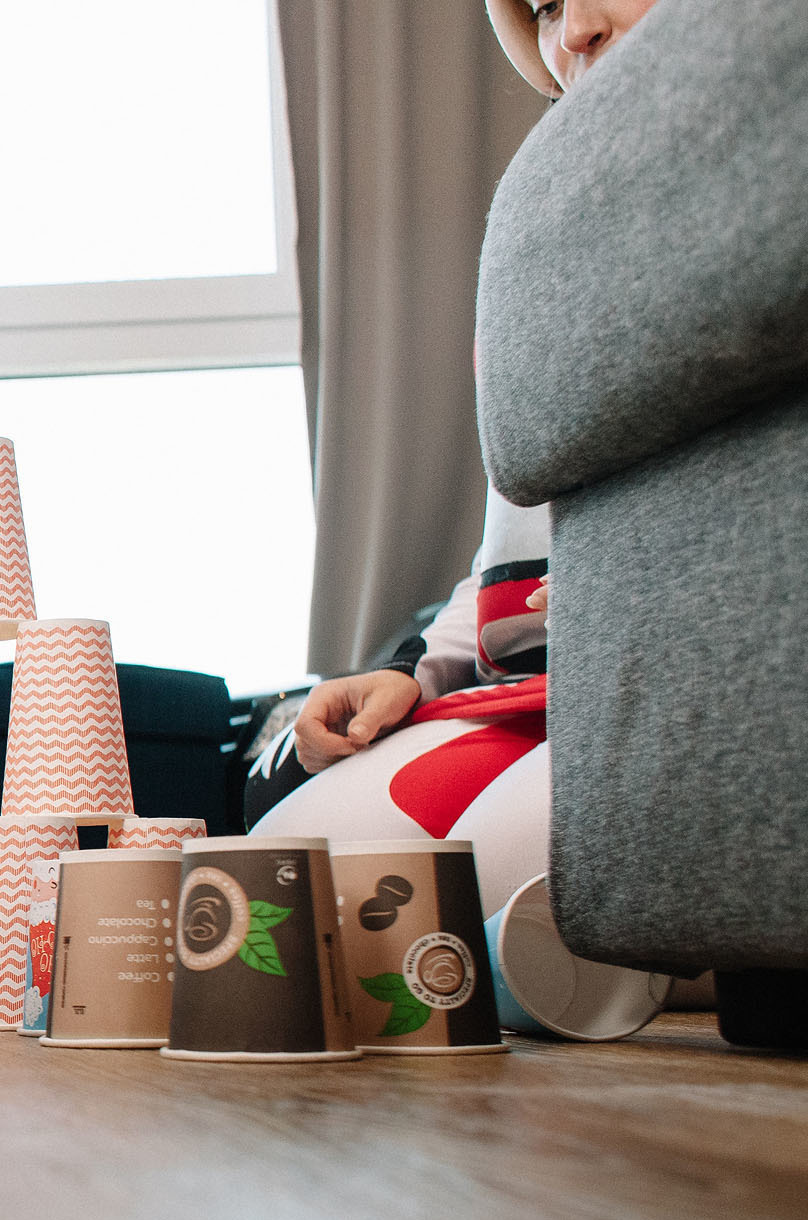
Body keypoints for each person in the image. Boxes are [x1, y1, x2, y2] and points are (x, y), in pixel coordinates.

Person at [243, 0, 660, 911]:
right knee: (283, 880)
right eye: (544, 6)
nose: (574, 31)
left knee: (477, 898)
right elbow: (515, 553)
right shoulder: (543, 240)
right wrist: (411, 671)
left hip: (661, 704)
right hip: (531, 697)